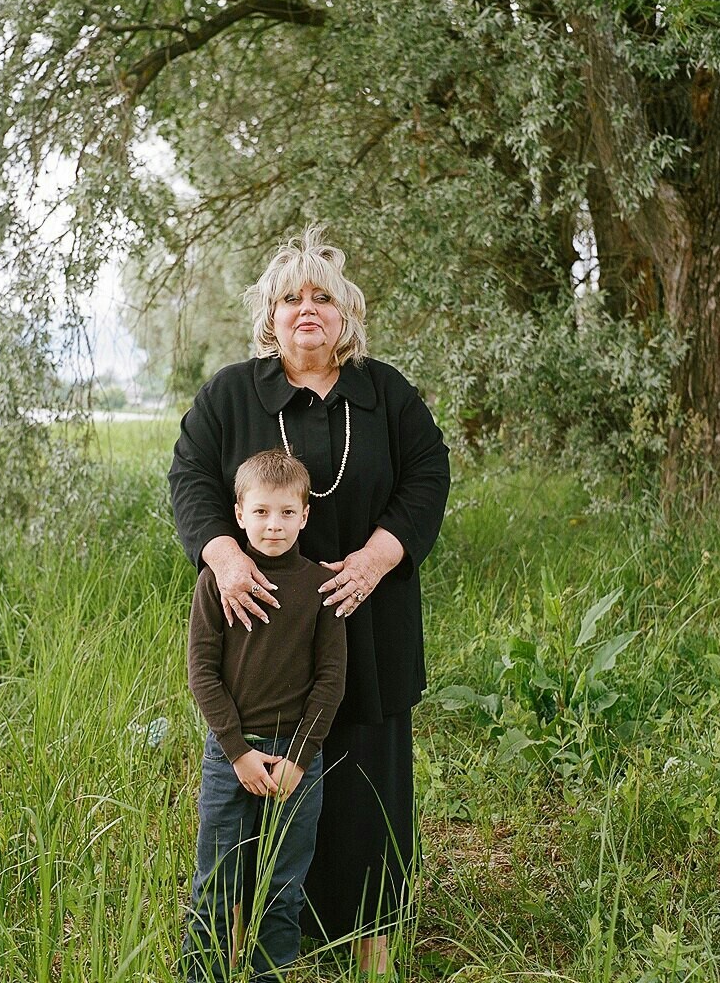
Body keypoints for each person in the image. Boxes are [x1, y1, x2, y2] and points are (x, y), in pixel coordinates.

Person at [170, 226, 450, 979]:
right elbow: (190, 478)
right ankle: (252, 953)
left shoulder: (385, 391)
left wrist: (379, 556)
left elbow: (428, 475)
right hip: (260, 640)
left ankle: (372, 954)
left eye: (322, 296)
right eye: (290, 297)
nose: (306, 309)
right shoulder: (232, 393)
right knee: (252, 809)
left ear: (346, 315)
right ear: (269, 314)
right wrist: (223, 557)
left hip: (371, 628)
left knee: (369, 796)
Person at [182, 449, 347, 982]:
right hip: (231, 758)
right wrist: (236, 751)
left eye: (285, 512)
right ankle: (202, 974)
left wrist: (299, 758)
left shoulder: (319, 588)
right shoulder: (216, 582)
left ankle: (268, 974)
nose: (272, 525)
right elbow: (202, 674)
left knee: (283, 885)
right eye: (260, 512)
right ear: (239, 515)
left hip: (298, 761)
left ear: (305, 515)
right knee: (217, 882)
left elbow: (330, 681)